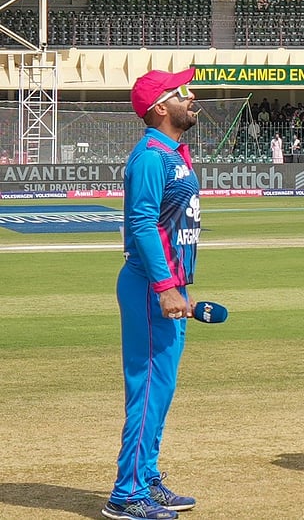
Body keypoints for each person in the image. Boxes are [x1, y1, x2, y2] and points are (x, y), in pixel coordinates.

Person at [106, 69, 202, 520]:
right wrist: (165, 287)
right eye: (182, 92)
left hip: (167, 284)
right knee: (147, 390)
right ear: (161, 108)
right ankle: (126, 494)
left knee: (160, 390)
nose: (192, 95)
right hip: (149, 285)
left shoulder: (172, 151)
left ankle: (146, 477)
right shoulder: (150, 156)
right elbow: (142, 224)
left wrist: (177, 284)